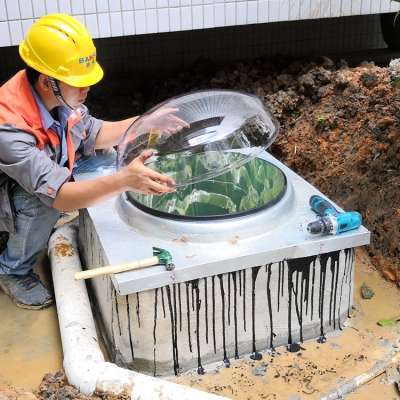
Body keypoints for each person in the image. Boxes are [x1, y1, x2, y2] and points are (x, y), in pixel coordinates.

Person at [0, 14, 186, 310]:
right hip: (11, 190)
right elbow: (59, 197)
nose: (87, 90)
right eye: (78, 83)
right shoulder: (9, 127)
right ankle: (13, 269)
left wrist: (146, 122)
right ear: (48, 82)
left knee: (105, 159)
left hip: (48, 165)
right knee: (42, 202)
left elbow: (94, 133)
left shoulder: (55, 97)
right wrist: (123, 180)